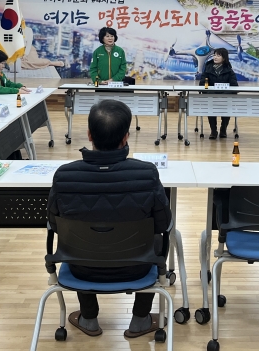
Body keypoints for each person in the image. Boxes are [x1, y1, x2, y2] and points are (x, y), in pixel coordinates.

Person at [47, 100, 171, 339]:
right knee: (156, 238)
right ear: (126, 138)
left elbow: (54, 223)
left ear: (89, 135)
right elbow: (163, 223)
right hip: (138, 267)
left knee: (77, 236)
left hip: (82, 268)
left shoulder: (64, 175)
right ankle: (141, 319)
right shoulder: (146, 174)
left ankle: (89, 317)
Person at [198, 48, 238, 139]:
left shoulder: (229, 70)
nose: (215, 57)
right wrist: (210, 93)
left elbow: (234, 86)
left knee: (227, 108)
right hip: (211, 97)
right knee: (211, 108)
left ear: (224, 58)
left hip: (225, 98)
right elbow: (202, 84)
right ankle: (213, 131)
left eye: (218, 55)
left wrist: (224, 94)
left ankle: (223, 129)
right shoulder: (208, 68)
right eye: (214, 55)